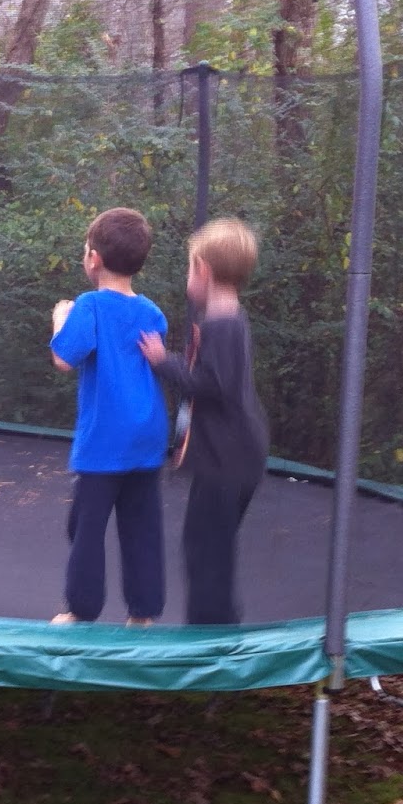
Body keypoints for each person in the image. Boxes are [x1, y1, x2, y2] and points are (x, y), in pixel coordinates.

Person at [139, 216, 269, 625]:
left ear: (203, 271)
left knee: (206, 550)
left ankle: (212, 639)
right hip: (231, 456)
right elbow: (213, 376)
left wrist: (163, 361)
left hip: (227, 460)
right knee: (208, 545)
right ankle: (218, 628)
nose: (187, 276)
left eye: (188, 267)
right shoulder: (226, 318)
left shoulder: (223, 324)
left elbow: (212, 384)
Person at [48, 207, 170, 625]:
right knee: (142, 527)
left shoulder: (90, 306)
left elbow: (64, 358)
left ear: (94, 259)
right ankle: (144, 612)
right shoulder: (152, 311)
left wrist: (59, 320)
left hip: (104, 438)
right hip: (148, 433)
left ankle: (81, 611)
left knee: (86, 527)